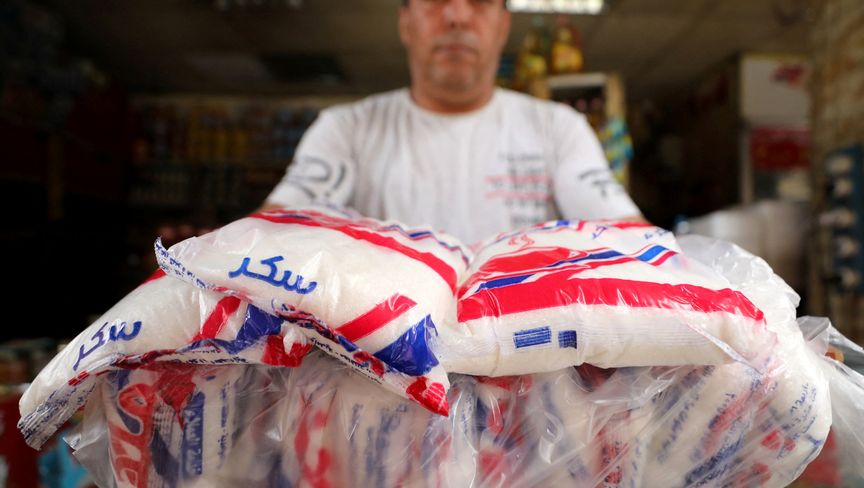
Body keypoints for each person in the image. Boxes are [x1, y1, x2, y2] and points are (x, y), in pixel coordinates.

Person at [260, 0, 643, 244]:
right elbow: (268, 236)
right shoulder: (344, 130)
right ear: (405, 23)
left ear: (502, 26)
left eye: (480, 1)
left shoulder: (559, 129)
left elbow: (629, 238)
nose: (458, 15)